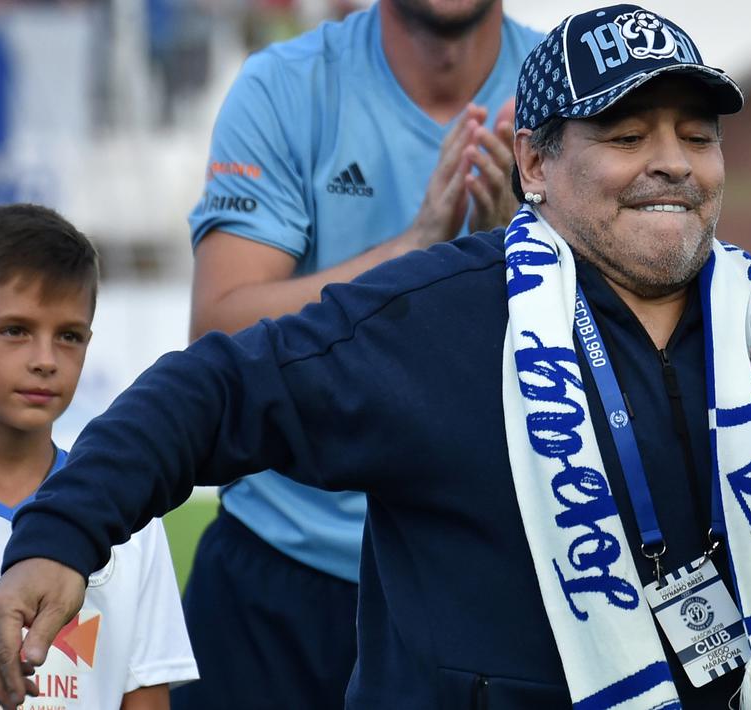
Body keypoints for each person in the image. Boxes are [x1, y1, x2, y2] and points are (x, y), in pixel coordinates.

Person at [0, 5, 751, 709]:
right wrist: (60, 537)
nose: (669, 163)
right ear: (535, 162)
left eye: (694, 133)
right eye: (625, 136)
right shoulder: (438, 316)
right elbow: (212, 387)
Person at [179, 0, 540, 705]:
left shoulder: (569, 89)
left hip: (481, 586)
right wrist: (414, 252)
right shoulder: (287, 85)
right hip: (277, 572)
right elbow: (218, 331)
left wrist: (507, 261)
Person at [0, 204, 198, 709]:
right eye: (15, 330)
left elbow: (146, 696)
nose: (46, 360)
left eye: (69, 336)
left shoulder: (126, 514)